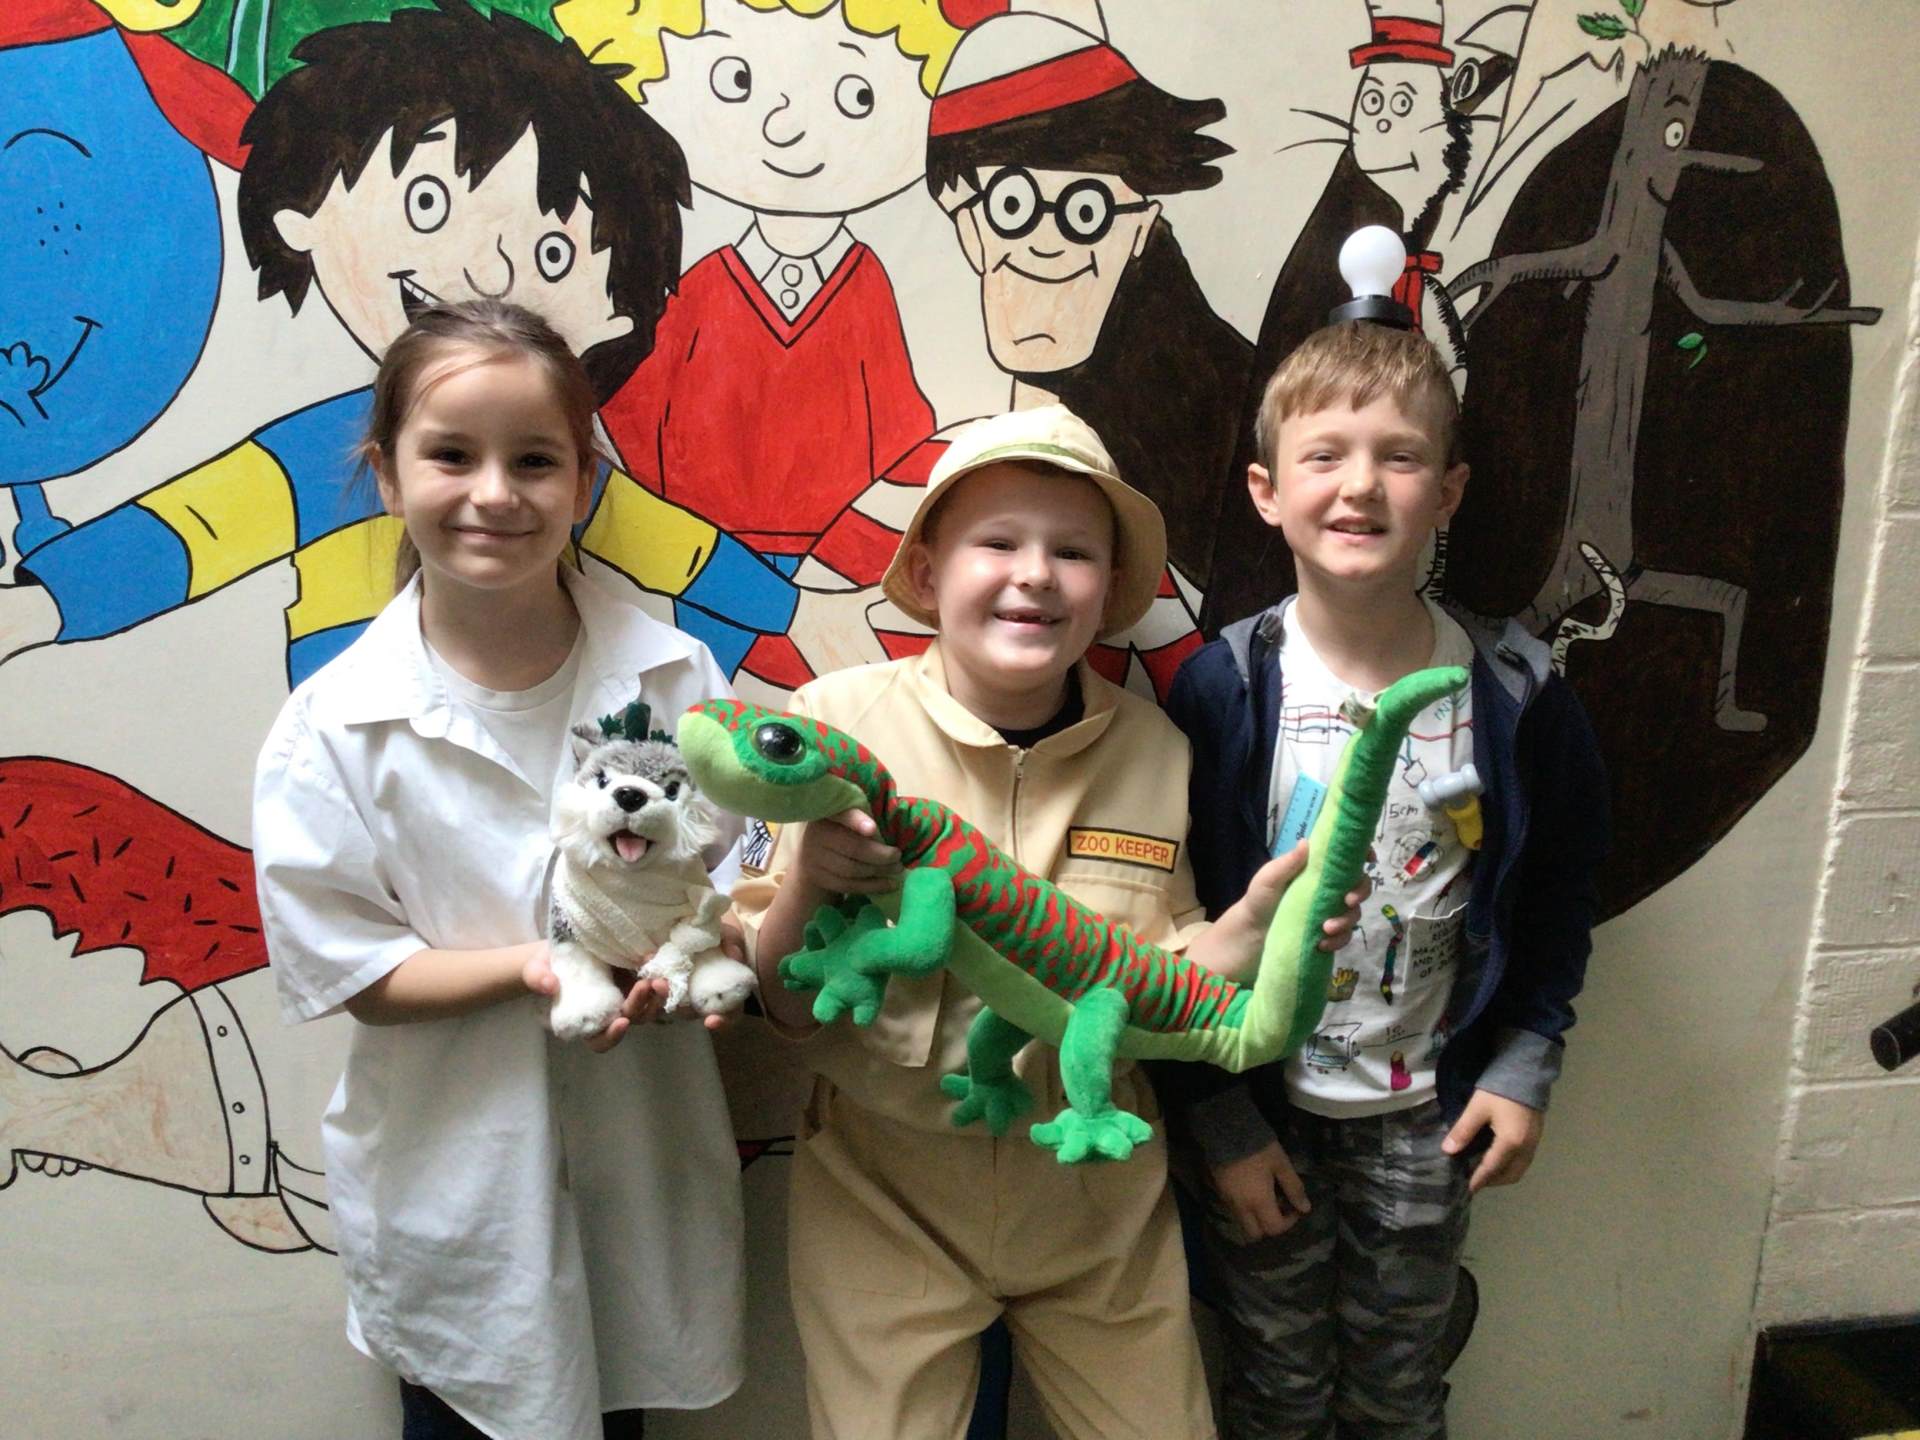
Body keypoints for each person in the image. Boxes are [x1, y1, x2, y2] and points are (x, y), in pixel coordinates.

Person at [732, 404, 1358, 1440]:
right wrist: (805, 883)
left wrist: (1254, 927)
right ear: (927, 572)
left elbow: (1164, 991)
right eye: (997, 542)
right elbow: (780, 1006)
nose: (1035, 575)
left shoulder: (1159, 749)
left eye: (1072, 552)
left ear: (1109, 590)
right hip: (882, 1196)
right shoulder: (826, 725)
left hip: (1096, 1199)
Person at [251, 300, 745, 1439]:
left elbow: (742, 855)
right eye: (451, 455)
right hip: (455, 1199)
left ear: (584, 482)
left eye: (534, 460)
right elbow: (355, 970)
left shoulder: (674, 676)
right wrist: (541, 967)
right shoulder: (334, 725)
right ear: (387, 475)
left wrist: (714, 944)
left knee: (620, 1400)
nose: (494, 493)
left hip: (642, 1169)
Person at [1164, 320, 1609, 1439]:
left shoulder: (1515, 692)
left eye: (1399, 457)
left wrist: (1524, 1061)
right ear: (1267, 492)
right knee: (1273, 1386)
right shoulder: (1223, 688)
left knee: (1398, 1392)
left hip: (1430, 1117)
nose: (1360, 484)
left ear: (1448, 492)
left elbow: (1560, 893)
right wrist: (1220, 1123)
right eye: (1325, 455)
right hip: (1262, 1107)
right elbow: (1171, 922)